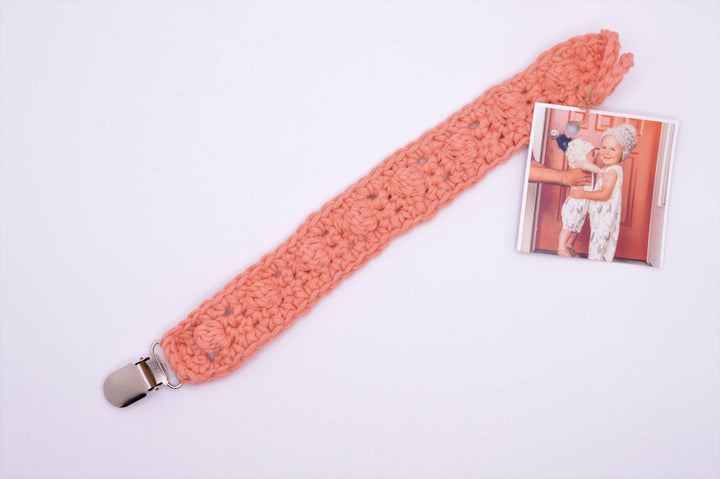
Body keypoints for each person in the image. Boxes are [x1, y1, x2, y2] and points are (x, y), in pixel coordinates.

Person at [571, 124, 637, 261]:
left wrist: (583, 194)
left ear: (622, 151)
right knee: (600, 244)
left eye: (612, 149)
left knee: (599, 246)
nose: (606, 152)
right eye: (604, 147)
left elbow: (604, 194)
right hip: (601, 216)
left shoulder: (612, 171)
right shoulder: (609, 169)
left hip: (604, 218)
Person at [557, 139, 606, 257]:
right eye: (592, 154)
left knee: (576, 229)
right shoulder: (578, 165)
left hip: (582, 206)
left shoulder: (589, 170)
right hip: (574, 204)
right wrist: (600, 171)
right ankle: (561, 248)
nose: (595, 157)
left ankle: (569, 247)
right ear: (581, 155)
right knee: (568, 227)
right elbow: (586, 164)